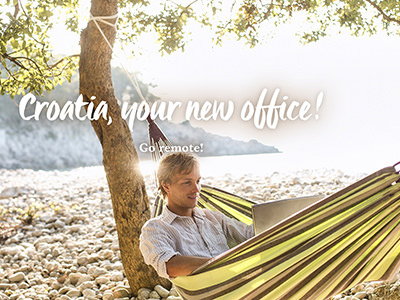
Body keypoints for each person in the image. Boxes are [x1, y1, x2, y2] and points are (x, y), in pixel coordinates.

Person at [139, 152, 254, 279]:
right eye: (187, 182)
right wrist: (226, 265)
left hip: (244, 284)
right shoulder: (156, 228)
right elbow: (169, 265)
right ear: (166, 186)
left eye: (198, 181)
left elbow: (250, 234)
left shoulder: (213, 218)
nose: (197, 189)